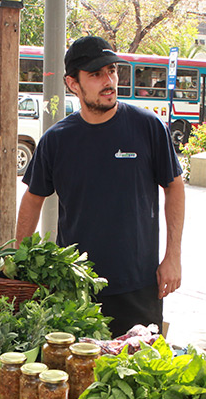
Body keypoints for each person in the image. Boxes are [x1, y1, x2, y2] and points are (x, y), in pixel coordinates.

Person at [15, 36, 184, 338]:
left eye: (112, 70)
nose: (109, 81)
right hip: (76, 287)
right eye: (96, 74)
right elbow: (32, 198)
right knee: (77, 375)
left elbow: (174, 187)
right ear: (72, 84)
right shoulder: (56, 140)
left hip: (139, 285)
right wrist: (21, 262)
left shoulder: (148, 127)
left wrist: (173, 256)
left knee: (138, 376)